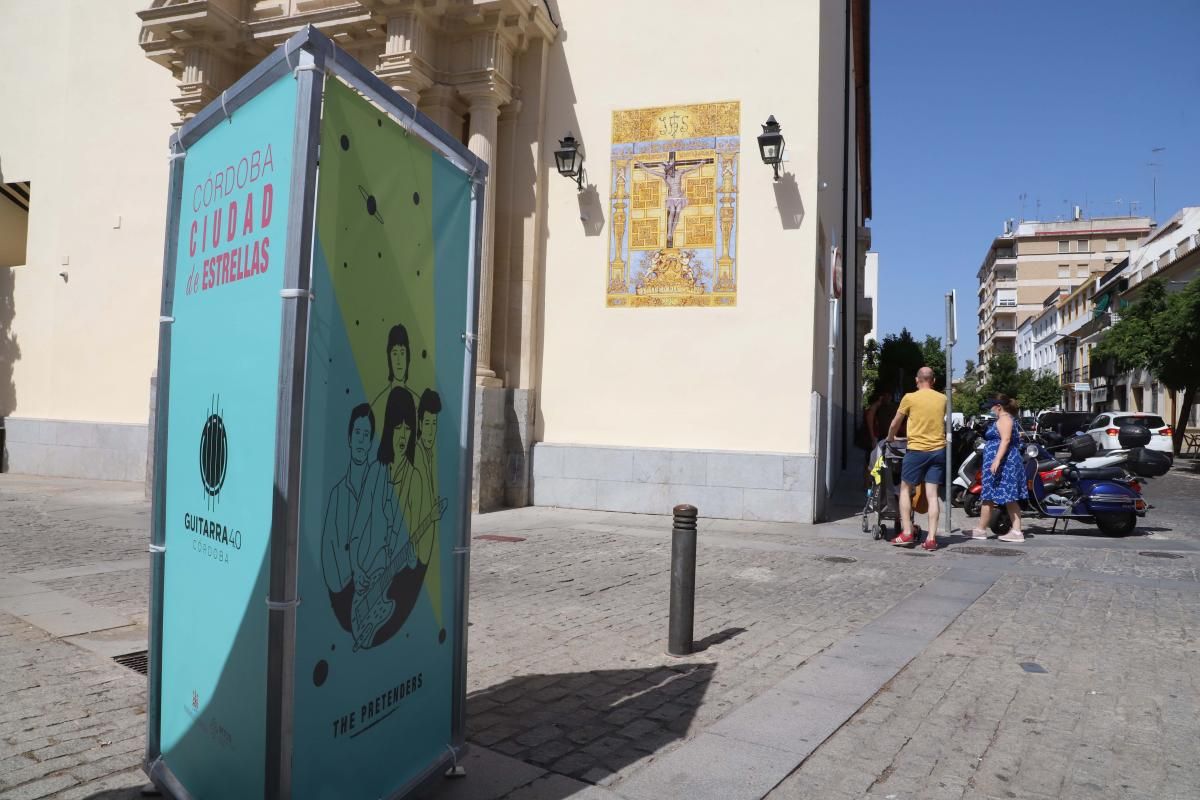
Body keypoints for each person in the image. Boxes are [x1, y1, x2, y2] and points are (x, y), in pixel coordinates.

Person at [320, 403, 374, 632]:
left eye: (366, 434)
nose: (361, 440)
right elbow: (327, 551)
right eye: (358, 433)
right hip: (346, 599)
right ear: (350, 438)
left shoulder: (378, 489)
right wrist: (348, 580)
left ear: (371, 441)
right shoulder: (338, 494)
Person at [886, 366, 947, 551]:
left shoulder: (909, 398)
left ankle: (906, 532)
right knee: (932, 495)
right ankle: (931, 538)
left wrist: (890, 437)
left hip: (916, 450)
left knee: (905, 489)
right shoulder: (943, 398)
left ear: (916, 380)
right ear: (933, 380)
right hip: (938, 450)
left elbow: (896, 422)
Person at [969, 395, 1027, 543]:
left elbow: (1006, 440)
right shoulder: (1003, 419)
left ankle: (1014, 531)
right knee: (994, 495)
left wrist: (996, 459)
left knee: (1005, 496)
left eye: (992, 406)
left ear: (999, 406)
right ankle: (983, 529)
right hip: (1001, 463)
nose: (991, 409)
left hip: (1005, 463)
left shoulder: (1005, 419)